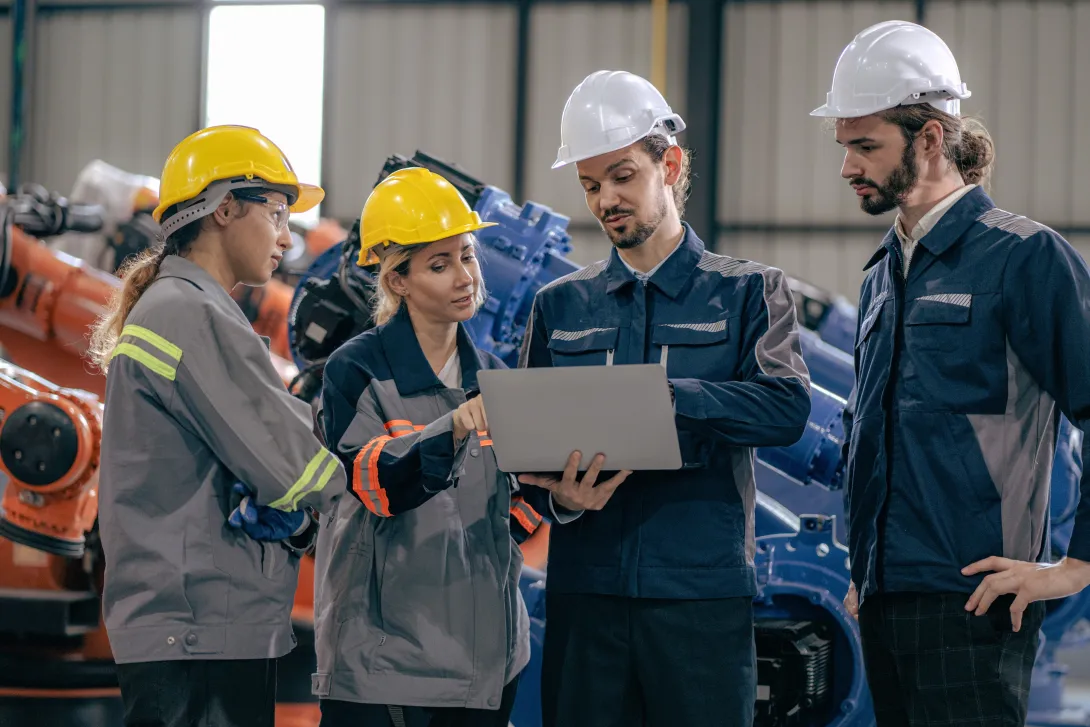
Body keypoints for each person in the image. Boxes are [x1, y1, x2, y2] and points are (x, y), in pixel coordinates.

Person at [813, 20, 1090, 727]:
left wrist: (1074, 568)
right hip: (882, 602)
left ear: (931, 138)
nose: (848, 167)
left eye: (865, 146)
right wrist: (865, 569)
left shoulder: (1023, 260)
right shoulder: (885, 272)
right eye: (845, 145)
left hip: (975, 606)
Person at [518, 69, 813, 727]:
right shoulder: (559, 307)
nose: (605, 199)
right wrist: (559, 498)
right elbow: (525, 455)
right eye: (591, 185)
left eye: (621, 176)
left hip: (699, 602)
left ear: (670, 163)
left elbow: (786, 409)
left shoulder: (748, 293)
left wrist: (665, 399)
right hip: (585, 600)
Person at [311, 167, 627, 727]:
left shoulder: (495, 378)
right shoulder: (354, 372)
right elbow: (373, 485)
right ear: (397, 281)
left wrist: (562, 500)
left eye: (468, 255)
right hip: (385, 674)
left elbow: (510, 513)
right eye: (440, 264)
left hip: (488, 670)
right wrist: (450, 428)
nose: (465, 276)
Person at [89, 124, 348, 727]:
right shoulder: (190, 312)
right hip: (200, 631)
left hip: (194, 627)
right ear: (224, 208)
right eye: (278, 213)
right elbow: (297, 471)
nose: (287, 237)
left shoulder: (178, 306)